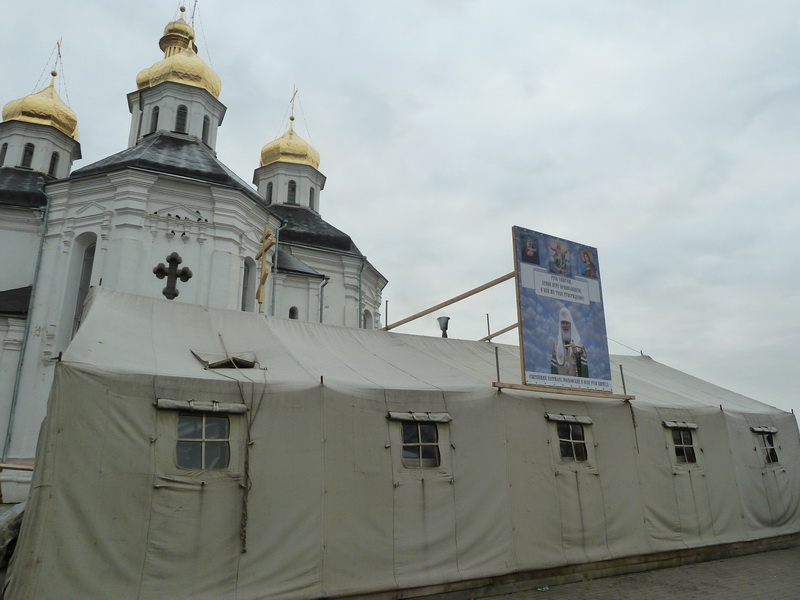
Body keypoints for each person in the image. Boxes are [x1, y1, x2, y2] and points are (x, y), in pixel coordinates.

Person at [551, 306, 588, 377]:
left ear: (571, 324)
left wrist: (576, 353)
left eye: (567, 323)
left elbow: (584, 363)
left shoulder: (578, 341)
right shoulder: (557, 342)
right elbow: (554, 365)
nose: (564, 326)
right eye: (562, 323)